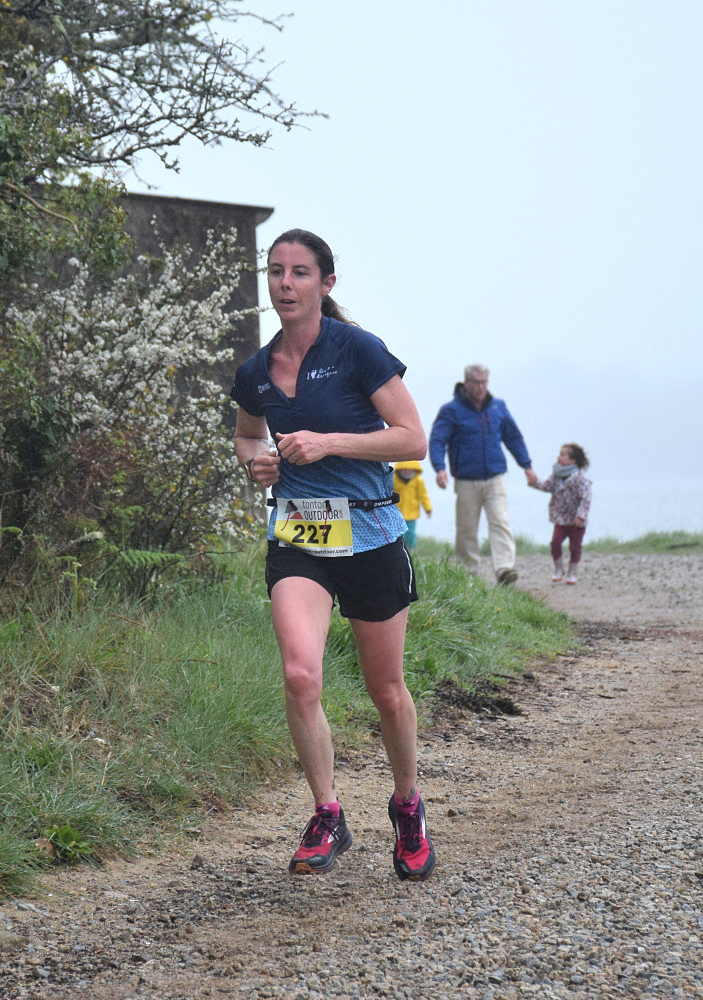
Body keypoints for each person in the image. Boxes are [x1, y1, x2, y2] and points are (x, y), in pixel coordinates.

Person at [230, 229, 436, 881]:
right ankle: (327, 813)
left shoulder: (358, 351)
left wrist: (329, 442)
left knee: (387, 692)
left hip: (371, 533)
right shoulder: (256, 370)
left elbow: (413, 440)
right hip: (300, 536)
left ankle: (407, 805)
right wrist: (257, 464)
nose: (285, 283)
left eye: (299, 272)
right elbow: (246, 437)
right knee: (300, 675)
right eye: (275, 271)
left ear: (326, 283)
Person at [427, 364, 537, 585]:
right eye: (476, 382)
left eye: (484, 382)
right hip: (466, 479)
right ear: (466, 383)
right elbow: (437, 440)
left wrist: (527, 465)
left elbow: (513, 437)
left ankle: (504, 569)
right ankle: (469, 574)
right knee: (467, 527)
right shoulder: (451, 410)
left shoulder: (497, 407)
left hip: (495, 477)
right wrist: (440, 468)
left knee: (500, 520)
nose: (480, 387)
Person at [530, 442, 593, 584]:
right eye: (560, 454)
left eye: (563, 455)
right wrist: (533, 482)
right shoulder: (556, 477)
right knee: (555, 542)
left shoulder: (580, 479)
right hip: (560, 519)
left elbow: (586, 499)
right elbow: (546, 486)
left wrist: (581, 516)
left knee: (575, 547)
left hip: (576, 521)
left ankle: (572, 572)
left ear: (573, 460)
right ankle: (559, 569)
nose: (559, 457)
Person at [392, 460, 432, 552]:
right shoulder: (394, 480)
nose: (406, 472)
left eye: (409, 470)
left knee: (411, 534)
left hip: (412, 514)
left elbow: (423, 496)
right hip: (397, 513)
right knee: (399, 534)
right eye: (404, 470)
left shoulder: (418, 481)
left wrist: (428, 509)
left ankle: (410, 550)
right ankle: (399, 551)